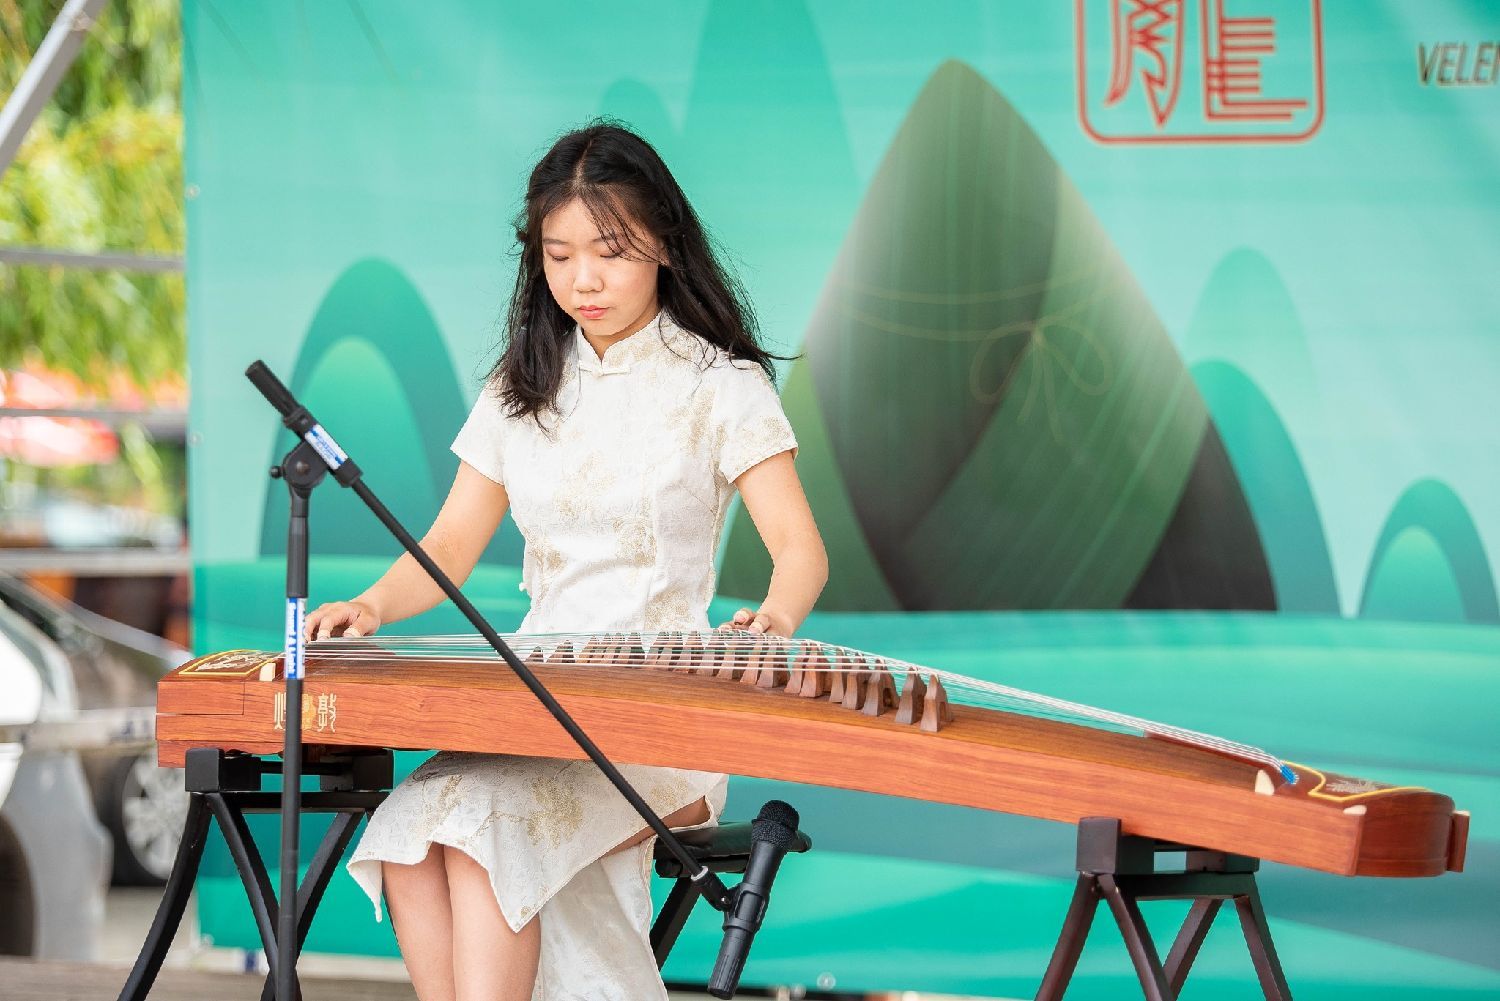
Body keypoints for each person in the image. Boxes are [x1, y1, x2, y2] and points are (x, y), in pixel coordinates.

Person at [302, 122, 828, 1001]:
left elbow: (801, 550)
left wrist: (771, 622)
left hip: (661, 719)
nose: (583, 279)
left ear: (664, 243)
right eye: (559, 255)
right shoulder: (522, 385)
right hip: (535, 706)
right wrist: (372, 605)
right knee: (408, 833)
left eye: (610, 252)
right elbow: (448, 546)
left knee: (483, 837)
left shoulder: (720, 385)